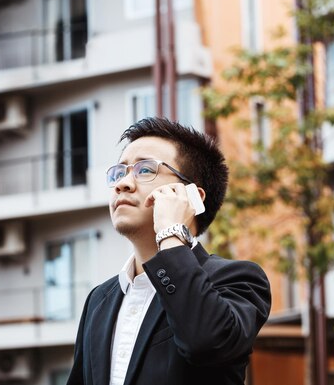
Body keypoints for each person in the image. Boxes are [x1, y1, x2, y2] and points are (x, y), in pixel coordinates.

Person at [66, 117, 271, 385]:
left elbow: (204, 343)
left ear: (192, 196)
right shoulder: (99, 300)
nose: (122, 184)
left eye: (145, 170)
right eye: (119, 172)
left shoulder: (237, 279)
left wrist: (171, 232)